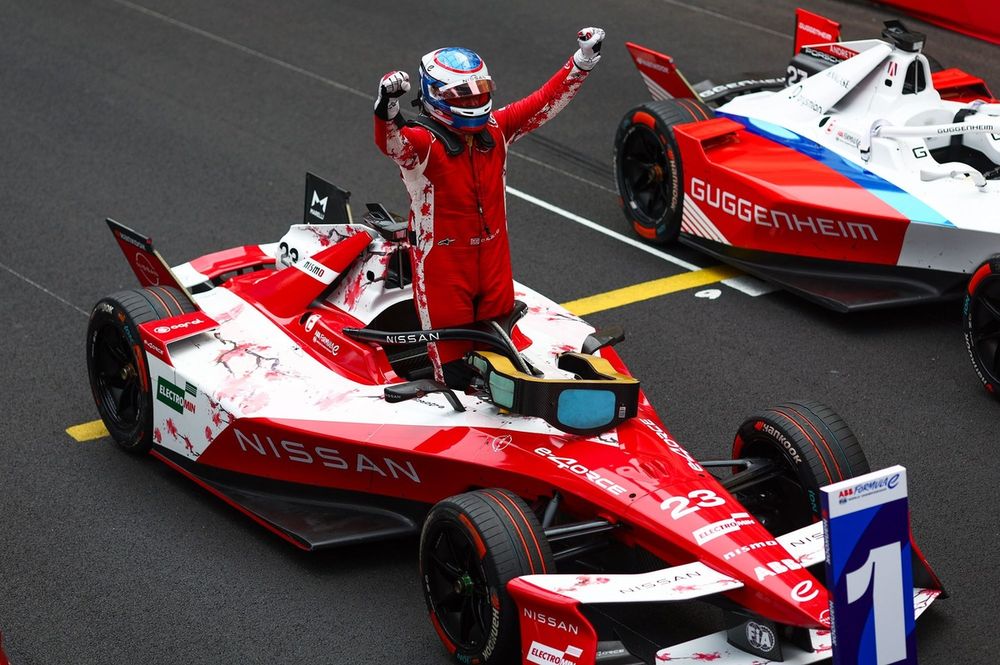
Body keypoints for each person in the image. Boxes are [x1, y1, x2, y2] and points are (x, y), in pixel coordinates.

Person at [374, 27, 605, 386]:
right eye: (462, 97)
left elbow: (543, 102)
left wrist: (582, 63)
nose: (473, 103)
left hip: (494, 263)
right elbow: (392, 143)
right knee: (452, 373)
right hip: (442, 271)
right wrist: (388, 108)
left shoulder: (496, 130)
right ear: (436, 95)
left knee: (504, 359)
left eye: (479, 93)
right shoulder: (420, 144)